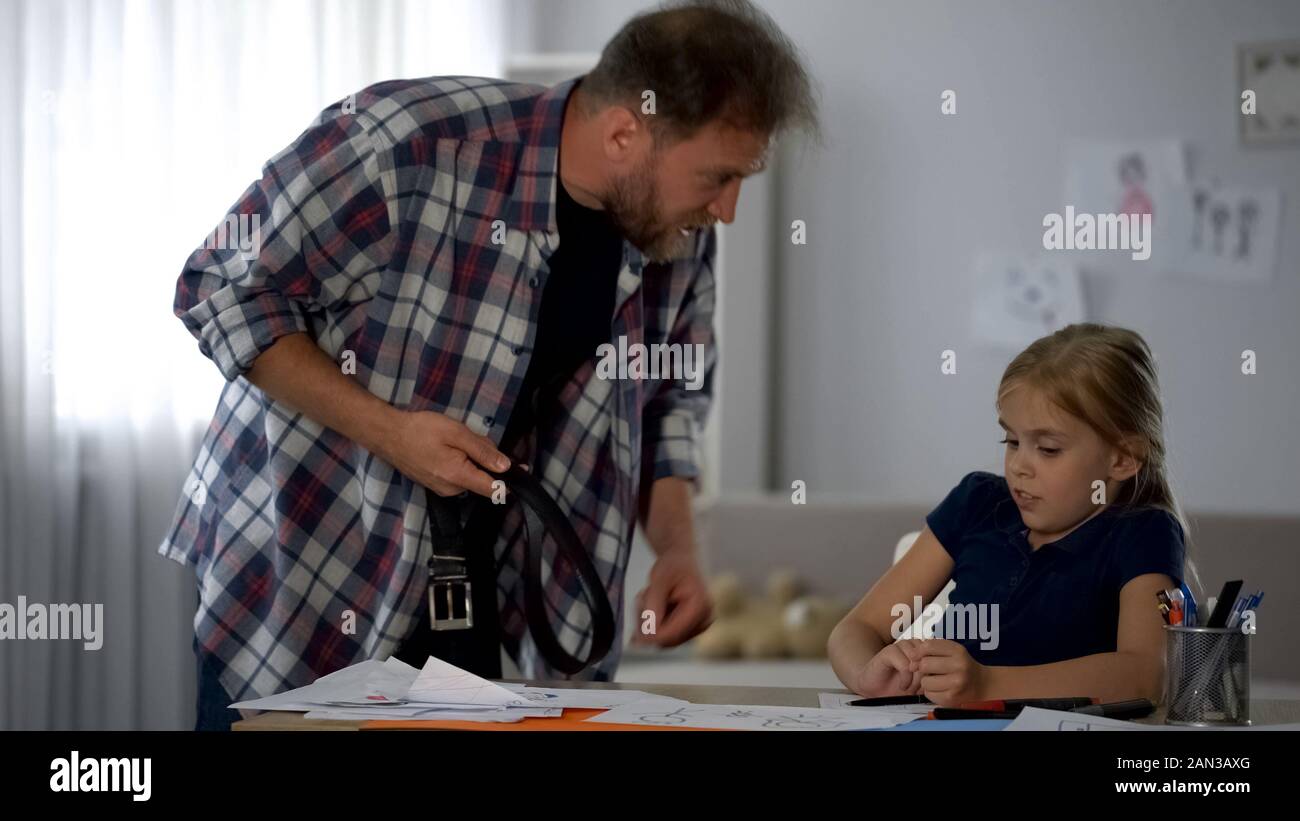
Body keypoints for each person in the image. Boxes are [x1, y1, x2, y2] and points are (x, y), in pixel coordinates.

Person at [160, 0, 820, 730]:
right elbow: (220, 287)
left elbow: (670, 403)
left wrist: (679, 549)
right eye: (716, 177)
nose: (726, 210)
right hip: (312, 564)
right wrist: (391, 432)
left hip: (474, 598)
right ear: (626, 132)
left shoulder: (673, 231)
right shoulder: (404, 141)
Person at [829, 323, 1187, 706]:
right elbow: (856, 629)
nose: (1018, 466)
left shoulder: (1145, 533)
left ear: (1123, 458)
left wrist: (985, 685)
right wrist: (867, 675)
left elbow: (1147, 674)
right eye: (1012, 441)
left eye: (1048, 449)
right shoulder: (977, 503)